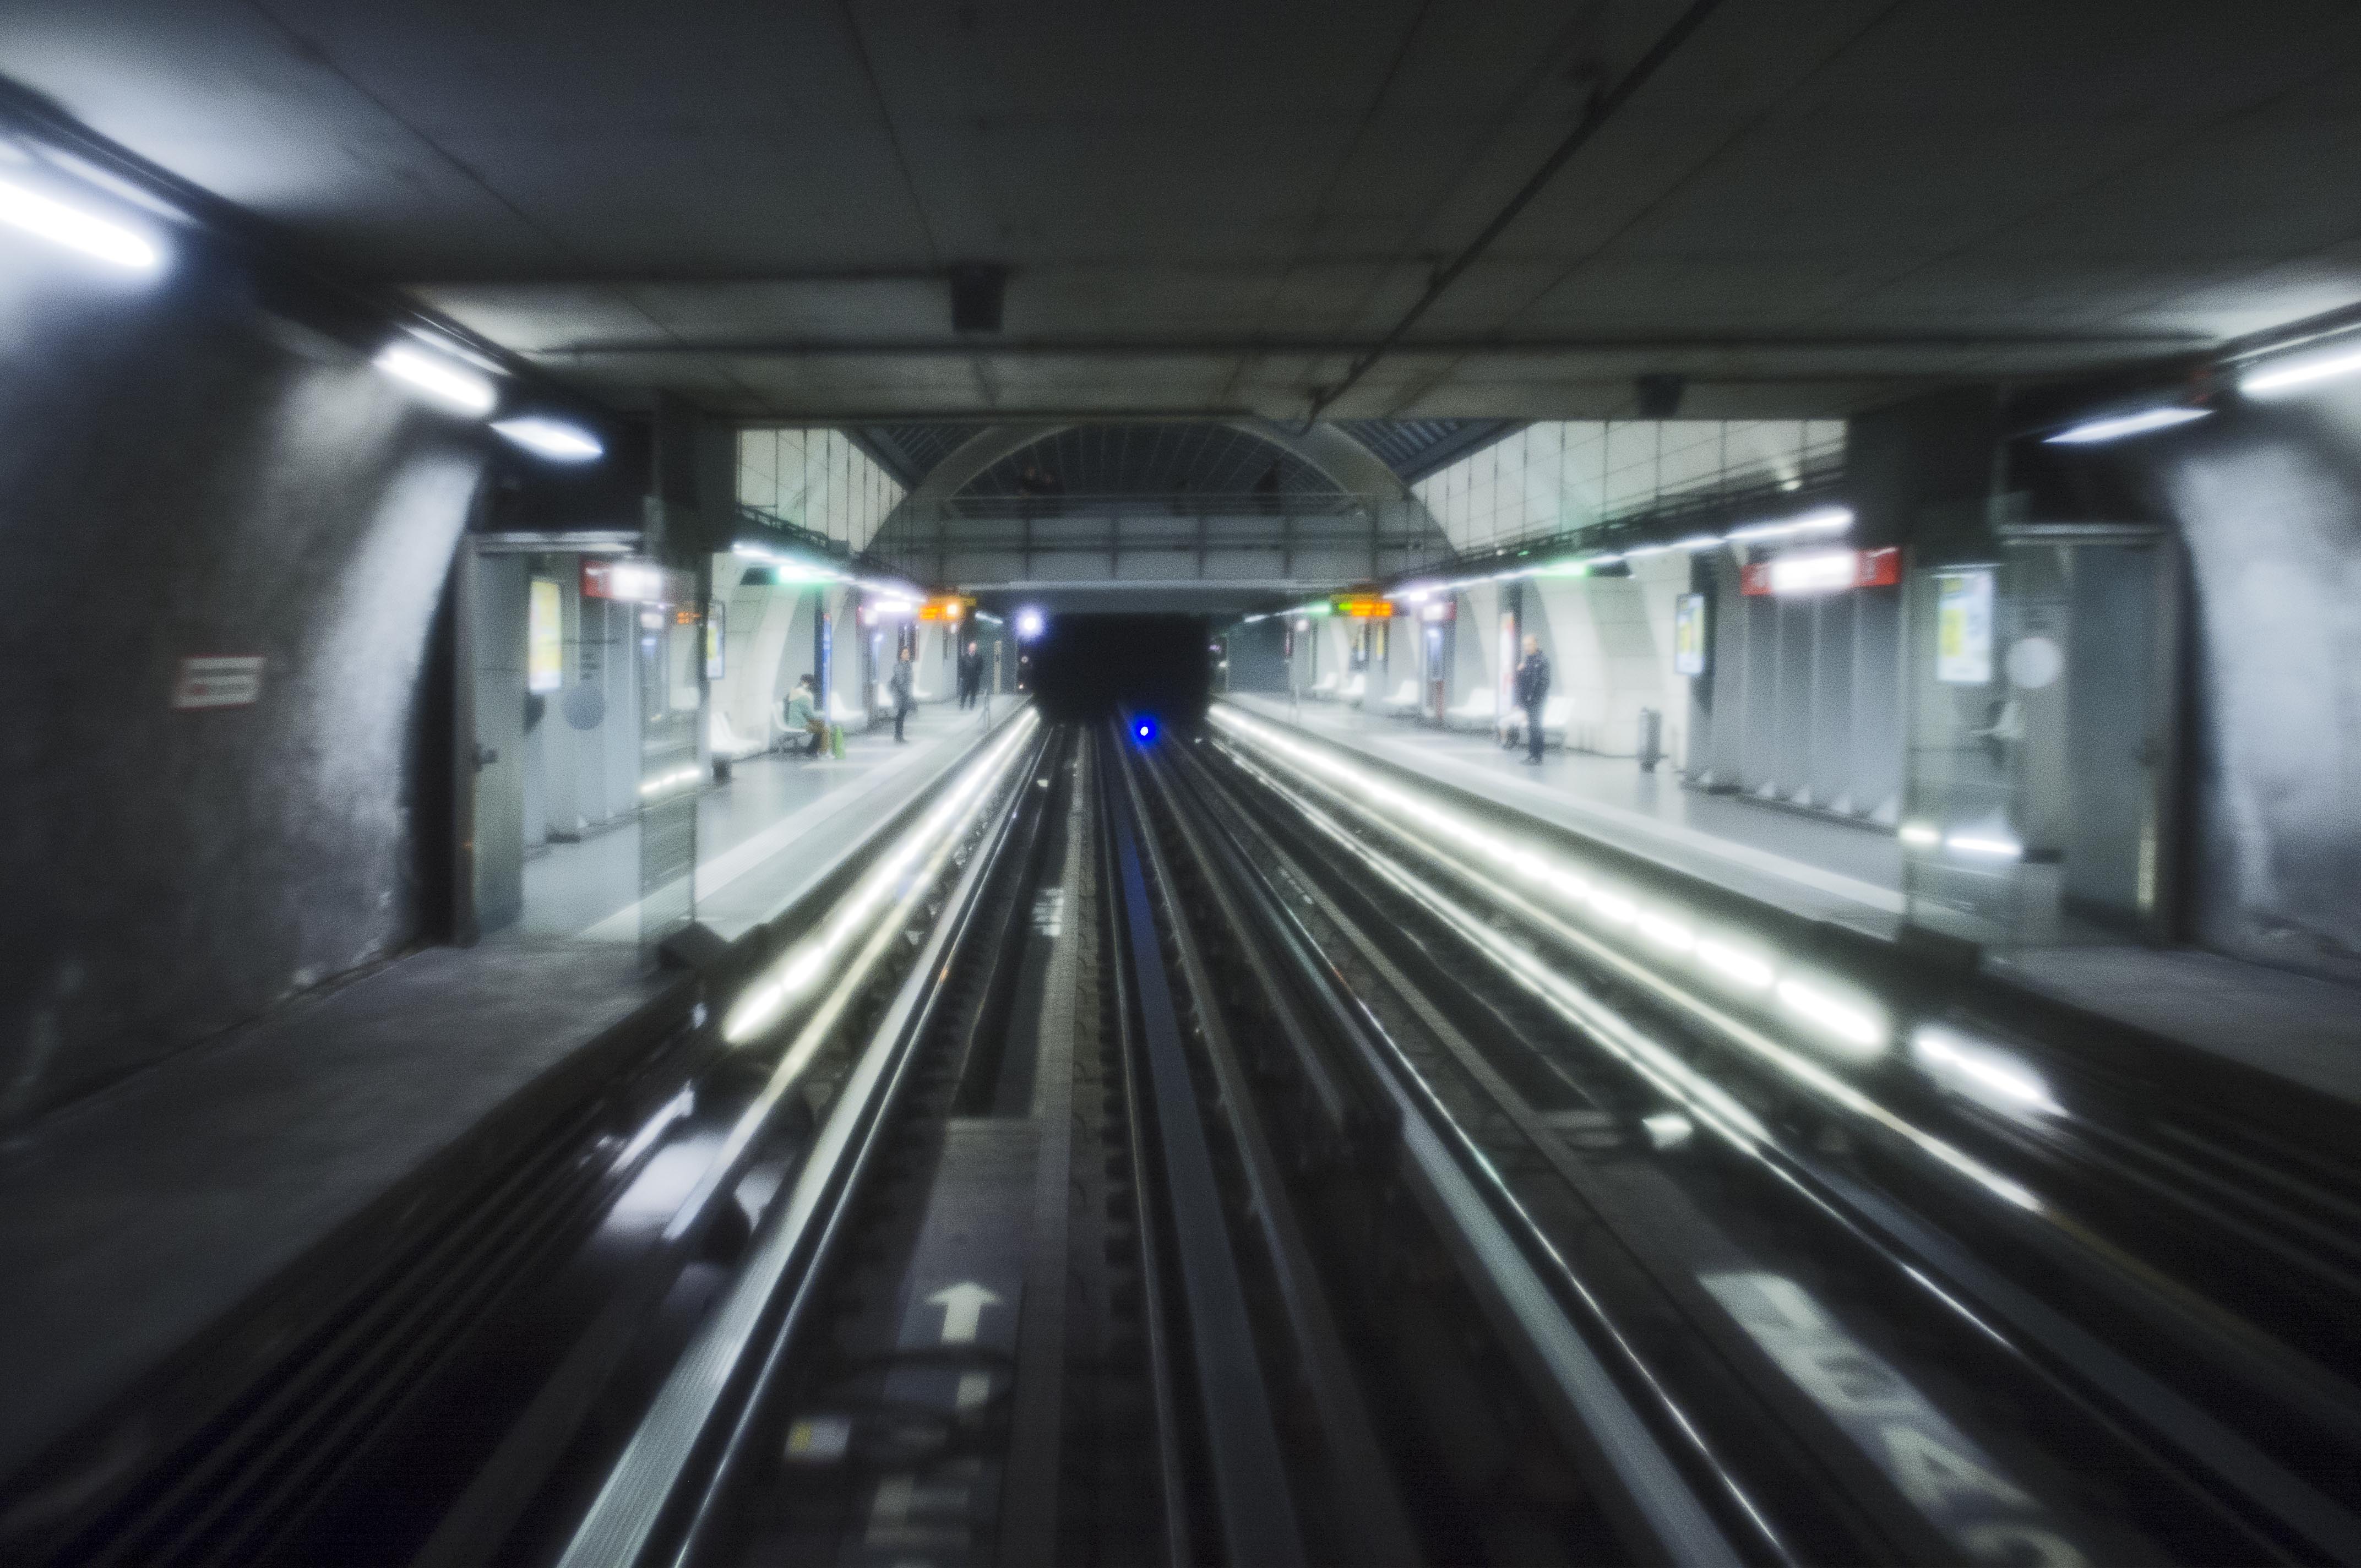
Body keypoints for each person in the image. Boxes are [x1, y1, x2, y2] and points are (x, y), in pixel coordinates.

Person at [1513, 634, 1551, 764]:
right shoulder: (1528, 661)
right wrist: (1520, 672)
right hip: (1529, 701)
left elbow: (1545, 682)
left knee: (1536, 728)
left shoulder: (1543, 661)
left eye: (1529, 645)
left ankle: (1538, 756)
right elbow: (1523, 683)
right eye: (1525, 645)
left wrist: (1538, 699)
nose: (1527, 648)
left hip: (1537, 701)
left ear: (1536, 644)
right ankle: (1532, 754)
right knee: (1531, 728)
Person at [781, 674, 824, 757]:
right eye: (810, 683)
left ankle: (812, 750)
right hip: (798, 722)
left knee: (820, 726)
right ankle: (811, 751)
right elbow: (808, 712)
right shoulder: (801, 694)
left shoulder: (797, 691)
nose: (811, 685)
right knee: (821, 729)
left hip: (794, 720)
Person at [889, 646, 915, 742]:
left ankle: (899, 736)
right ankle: (898, 736)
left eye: (908, 652)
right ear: (900, 655)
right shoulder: (899, 666)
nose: (907, 654)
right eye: (904, 653)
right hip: (901, 695)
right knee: (900, 716)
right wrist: (906, 693)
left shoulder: (908, 665)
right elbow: (900, 682)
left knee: (902, 716)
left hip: (905, 695)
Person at [958, 639, 983, 709]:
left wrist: (978, 673)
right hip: (966, 678)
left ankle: (972, 707)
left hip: (975, 679)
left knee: (973, 693)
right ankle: (962, 705)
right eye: (971, 648)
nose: (973, 649)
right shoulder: (964, 657)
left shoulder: (979, 657)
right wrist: (962, 676)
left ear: (976, 649)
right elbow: (961, 667)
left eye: (974, 648)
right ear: (969, 648)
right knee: (964, 693)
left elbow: (981, 667)